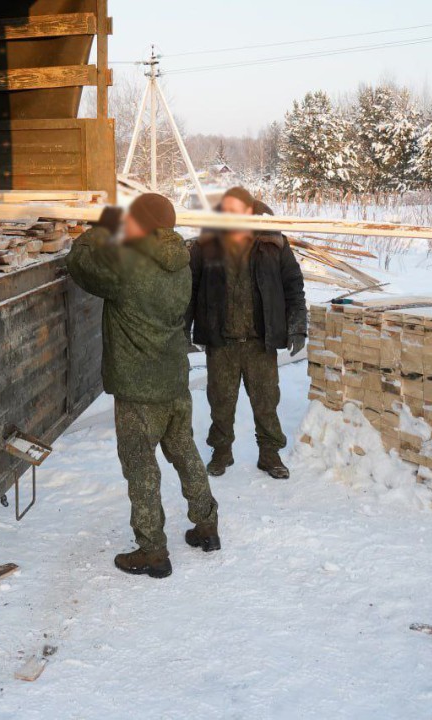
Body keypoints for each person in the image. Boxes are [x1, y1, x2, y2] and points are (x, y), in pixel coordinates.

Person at [67, 193, 220, 579]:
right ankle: (206, 526)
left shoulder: (129, 262)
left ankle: (152, 551)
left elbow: (81, 265)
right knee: (185, 452)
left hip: (138, 387)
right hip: (172, 379)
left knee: (141, 468)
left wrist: (97, 233)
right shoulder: (181, 260)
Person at [187, 187, 307, 479]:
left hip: (259, 340)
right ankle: (221, 451)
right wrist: (182, 328)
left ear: (250, 210)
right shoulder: (207, 243)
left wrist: (297, 325)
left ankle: (270, 455)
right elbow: (189, 289)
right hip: (222, 339)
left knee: (266, 402)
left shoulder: (273, 241)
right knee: (221, 401)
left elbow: (293, 284)